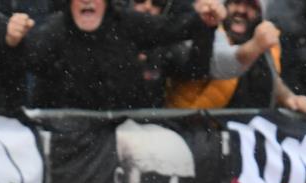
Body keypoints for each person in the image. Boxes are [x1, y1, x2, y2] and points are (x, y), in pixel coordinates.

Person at [23, 0, 225, 109]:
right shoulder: (53, 31)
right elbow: (25, 60)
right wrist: (11, 41)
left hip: (122, 136)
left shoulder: (127, 23)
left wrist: (205, 22)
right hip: (68, 142)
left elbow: (179, 29)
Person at [167, 0, 306, 113]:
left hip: (242, 137)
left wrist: (290, 98)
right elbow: (217, 61)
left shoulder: (265, 38)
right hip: (193, 131)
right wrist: (254, 47)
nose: (241, 10)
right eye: (236, 2)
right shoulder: (206, 28)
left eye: (251, 5)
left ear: (260, 13)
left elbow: (269, 77)